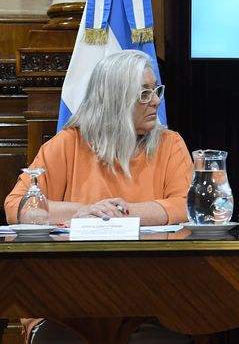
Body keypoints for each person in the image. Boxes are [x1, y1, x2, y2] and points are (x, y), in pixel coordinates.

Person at [4, 50, 193, 343]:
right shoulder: (67, 145)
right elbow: (17, 207)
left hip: (149, 301)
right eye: (144, 94)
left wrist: (125, 212)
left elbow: (187, 206)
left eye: (156, 90)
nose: (156, 100)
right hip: (65, 302)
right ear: (115, 100)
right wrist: (83, 211)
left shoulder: (170, 144)